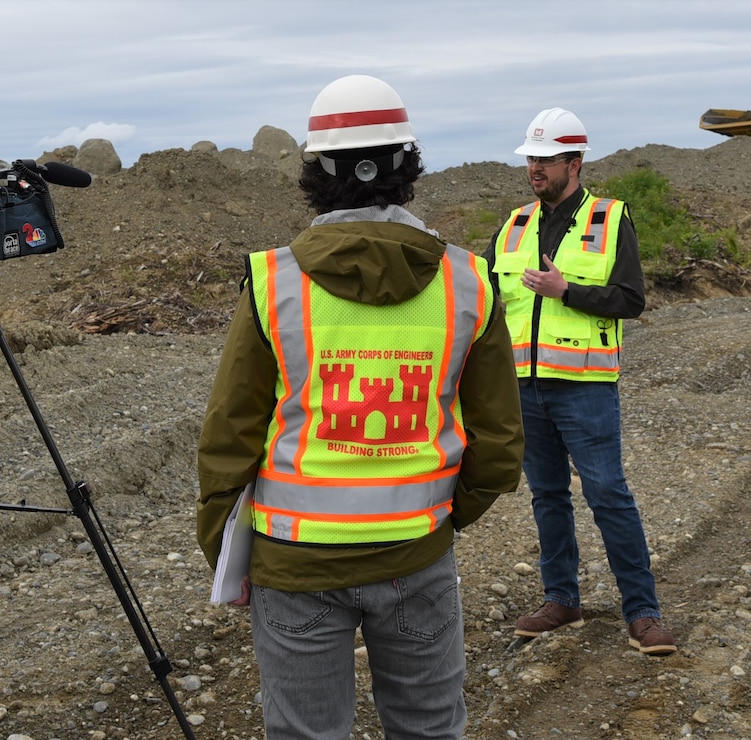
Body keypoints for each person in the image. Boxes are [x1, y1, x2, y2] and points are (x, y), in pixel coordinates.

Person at [197, 75, 524, 739]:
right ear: (409, 168)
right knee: (429, 729)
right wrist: (439, 521)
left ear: (314, 173)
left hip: (294, 567)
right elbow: (499, 442)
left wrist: (227, 554)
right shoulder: (469, 281)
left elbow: (228, 439)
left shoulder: (272, 282)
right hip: (416, 557)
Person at [481, 108, 677, 655]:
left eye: (544, 159)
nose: (534, 169)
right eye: (530, 159)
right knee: (547, 496)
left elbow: (632, 300)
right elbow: (481, 289)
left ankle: (642, 613)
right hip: (524, 385)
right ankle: (561, 600)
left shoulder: (611, 219)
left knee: (608, 495)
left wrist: (567, 291)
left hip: (585, 387)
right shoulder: (515, 223)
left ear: (575, 161)